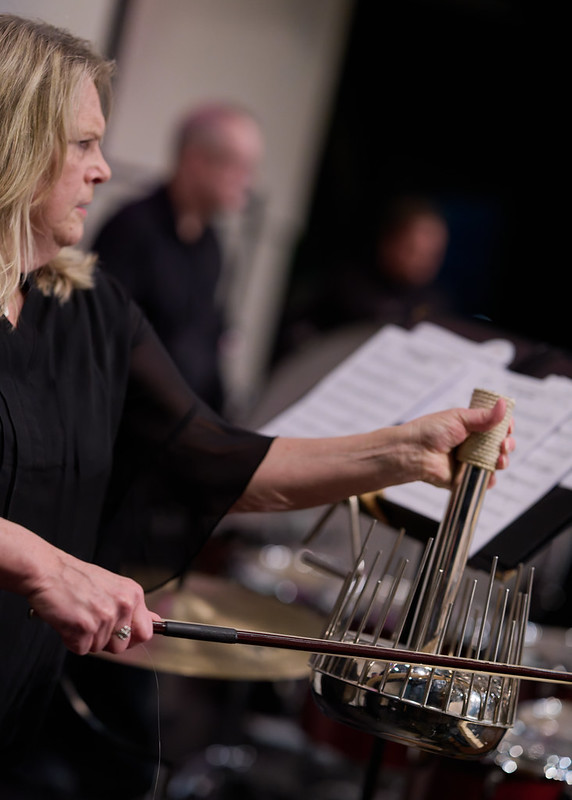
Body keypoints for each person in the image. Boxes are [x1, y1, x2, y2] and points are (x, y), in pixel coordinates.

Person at [0, 13, 514, 796]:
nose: (104, 170)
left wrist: (403, 450)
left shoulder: (90, 312)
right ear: (17, 141)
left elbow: (212, 455)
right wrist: (37, 561)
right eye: (83, 144)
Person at [92, 100, 263, 415]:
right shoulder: (132, 228)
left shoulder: (212, 245)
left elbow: (207, 347)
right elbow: (105, 342)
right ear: (195, 160)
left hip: (182, 423)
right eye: (237, 166)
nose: (247, 182)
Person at [274, 195, 452, 364]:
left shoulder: (435, 306)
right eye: (413, 251)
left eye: (432, 255)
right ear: (389, 242)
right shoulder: (344, 287)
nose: (423, 262)